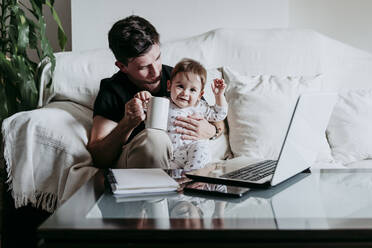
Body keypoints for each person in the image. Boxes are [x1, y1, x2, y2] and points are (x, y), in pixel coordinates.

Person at [87, 15, 225, 169]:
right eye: (143, 67)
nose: (155, 71)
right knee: (155, 137)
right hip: (134, 160)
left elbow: (215, 118)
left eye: (158, 58)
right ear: (122, 66)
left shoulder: (177, 78)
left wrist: (211, 131)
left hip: (182, 159)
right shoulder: (112, 89)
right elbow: (99, 157)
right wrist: (127, 123)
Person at [135, 58, 228, 170]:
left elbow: (219, 114)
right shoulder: (164, 103)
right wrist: (144, 99)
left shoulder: (200, 106)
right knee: (163, 172)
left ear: (200, 94)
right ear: (169, 86)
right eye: (180, 86)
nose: (185, 93)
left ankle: (194, 178)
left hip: (192, 150)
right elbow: (145, 113)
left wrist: (219, 96)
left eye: (192, 90)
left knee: (201, 148)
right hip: (169, 155)